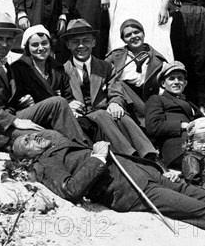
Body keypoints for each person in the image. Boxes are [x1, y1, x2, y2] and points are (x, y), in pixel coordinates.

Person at [10, 128, 205, 246]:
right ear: (27, 157)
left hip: (148, 178)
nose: (32, 138)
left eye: (30, 135)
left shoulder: (58, 146)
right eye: (25, 142)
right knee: (203, 211)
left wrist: (156, 170)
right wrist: (96, 157)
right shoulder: (44, 166)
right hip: (130, 194)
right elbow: (70, 189)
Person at [0, 12, 88, 152]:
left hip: (9, 117)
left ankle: (86, 149)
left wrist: (19, 104)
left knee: (59, 103)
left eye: (9, 39)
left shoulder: (5, 64)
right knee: (53, 137)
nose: (4, 44)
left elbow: (7, 100)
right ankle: (87, 154)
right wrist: (14, 120)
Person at [61, 19, 159, 161]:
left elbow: (116, 91)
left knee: (120, 113)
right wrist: (68, 103)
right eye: (75, 41)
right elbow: (57, 96)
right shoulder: (62, 70)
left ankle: (150, 154)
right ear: (68, 45)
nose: (81, 46)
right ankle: (130, 156)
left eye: (86, 41)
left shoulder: (105, 67)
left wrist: (115, 102)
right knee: (102, 114)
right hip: (80, 119)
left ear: (93, 43)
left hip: (104, 114)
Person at [105, 19, 167, 127]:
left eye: (137, 32)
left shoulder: (158, 60)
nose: (133, 36)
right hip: (123, 98)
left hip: (146, 99)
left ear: (143, 34)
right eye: (128, 35)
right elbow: (101, 74)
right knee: (119, 83)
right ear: (124, 40)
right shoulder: (115, 57)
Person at [145, 61, 204, 169]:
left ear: (185, 83)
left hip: (202, 145)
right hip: (178, 150)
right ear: (163, 83)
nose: (176, 82)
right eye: (171, 78)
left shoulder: (190, 103)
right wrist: (181, 126)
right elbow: (152, 126)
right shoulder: (157, 99)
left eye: (180, 78)